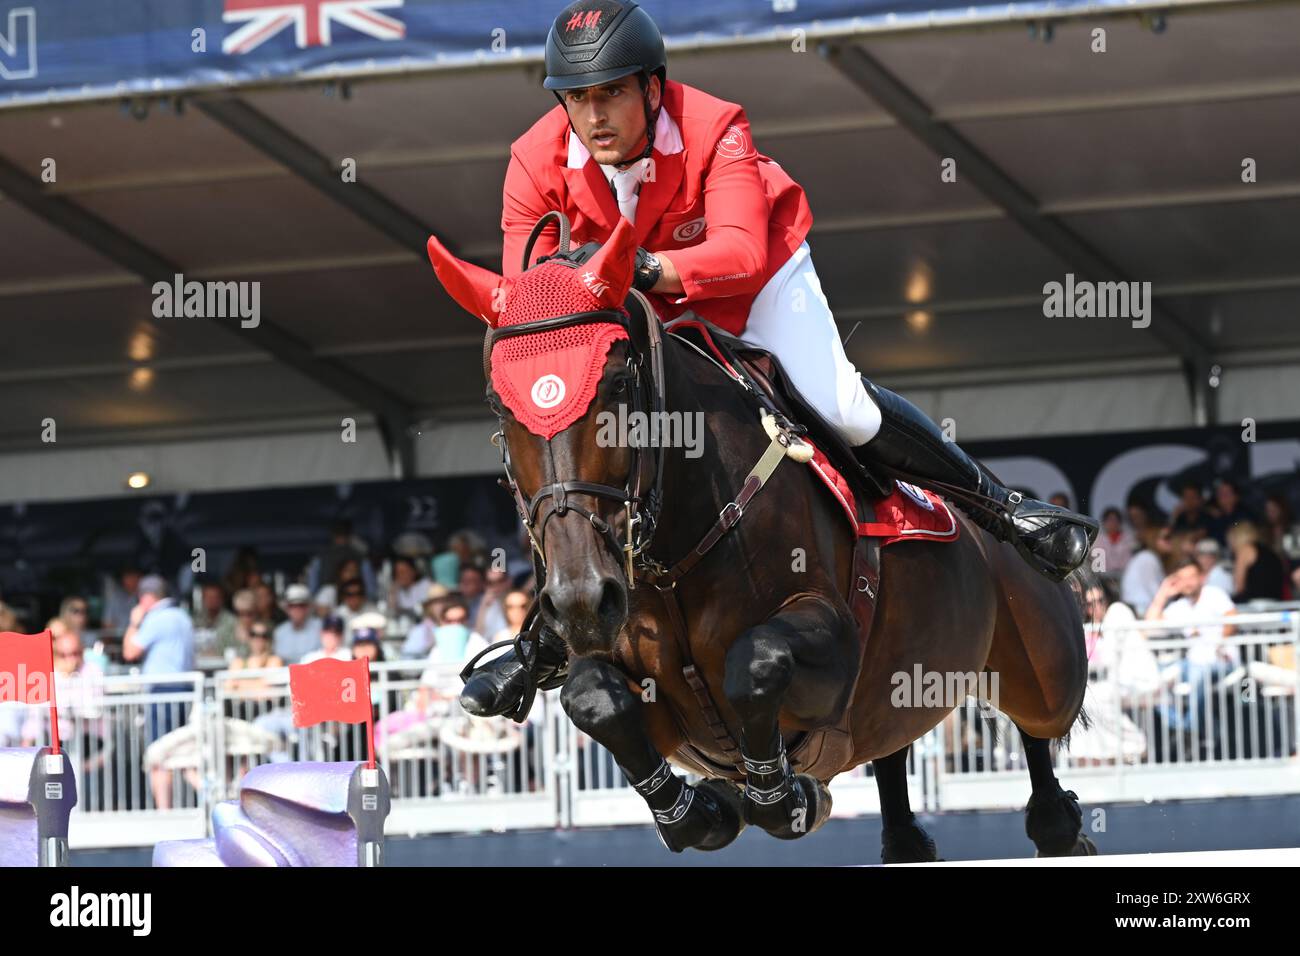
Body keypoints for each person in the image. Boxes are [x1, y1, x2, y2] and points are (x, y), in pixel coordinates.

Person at [449, 0, 1097, 717]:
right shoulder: (532, 161)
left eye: (611, 93)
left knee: (840, 406)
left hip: (754, 281)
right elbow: (539, 304)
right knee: (565, 435)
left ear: (652, 90)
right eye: (577, 98)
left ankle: (1003, 511)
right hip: (629, 304)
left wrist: (645, 271)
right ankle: (544, 639)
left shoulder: (715, 126)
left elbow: (740, 251)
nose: (593, 115)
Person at [1144, 558, 1237, 740]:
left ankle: (1189, 730)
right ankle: (1185, 727)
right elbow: (1149, 627)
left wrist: (1218, 643)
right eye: (1182, 578)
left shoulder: (1214, 594)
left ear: (1202, 577)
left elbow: (1232, 619)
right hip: (1191, 664)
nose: (1187, 582)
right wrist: (1163, 593)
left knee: (1198, 675)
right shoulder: (1179, 607)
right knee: (1153, 682)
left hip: (1221, 661)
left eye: (1191, 577)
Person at [1227, 521, 1287, 602]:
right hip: (1276, 600)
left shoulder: (1245, 550)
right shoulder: (1269, 551)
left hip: (1255, 603)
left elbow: (1239, 587)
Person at [1121, 526, 1174, 615]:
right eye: (1166, 538)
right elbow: (1156, 592)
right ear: (1154, 540)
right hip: (1139, 610)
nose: (1170, 541)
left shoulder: (1150, 557)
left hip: (1144, 607)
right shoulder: (1148, 558)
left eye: (1171, 537)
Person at [191, 578, 241, 660]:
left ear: (221, 599)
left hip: (223, 664)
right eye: (208, 597)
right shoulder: (196, 619)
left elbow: (234, 647)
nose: (211, 601)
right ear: (203, 598)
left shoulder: (231, 621)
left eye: (215, 597)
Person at [273, 584, 322, 663]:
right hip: (285, 674)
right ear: (286, 608)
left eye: (301, 605)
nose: (297, 609)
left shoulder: (319, 627)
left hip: (313, 672)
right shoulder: (280, 632)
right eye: (292, 606)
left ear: (308, 607)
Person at [402, 583, 452, 658]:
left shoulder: (457, 625)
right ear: (429, 607)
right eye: (436, 602)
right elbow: (406, 659)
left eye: (443, 601)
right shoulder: (419, 631)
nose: (441, 606)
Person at [1207, 477, 1254, 545]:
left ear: (1236, 496)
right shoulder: (1213, 516)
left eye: (1227, 493)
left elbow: (1238, 527)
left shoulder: (1245, 514)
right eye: (1220, 493)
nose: (1223, 496)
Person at [1093, 507, 1135, 576]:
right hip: (1103, 579)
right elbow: (1097, 567)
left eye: (1115, 520)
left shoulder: (1129, 539)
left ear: (1120, 522)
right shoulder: (1097, 540)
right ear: (1104, 522)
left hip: (1126, 577)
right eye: (1110, 520)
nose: (1113, 523)